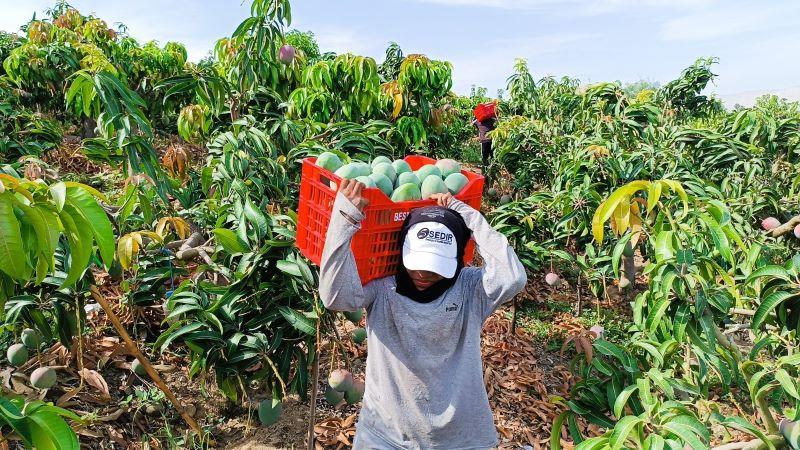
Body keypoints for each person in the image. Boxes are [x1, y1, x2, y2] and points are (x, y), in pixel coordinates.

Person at [319, 179, 527, 450]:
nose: (423, 274)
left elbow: (512, 277)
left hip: (458, 438)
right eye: (416, 263)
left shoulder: (470, 289)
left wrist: (467, 216)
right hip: (385, 433)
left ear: (456, 260)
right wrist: (344, 219)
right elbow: (335, 297)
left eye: (435, 266)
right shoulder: (384, 287)